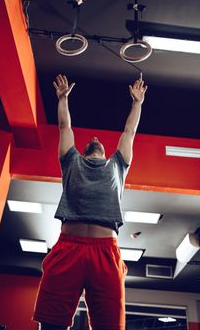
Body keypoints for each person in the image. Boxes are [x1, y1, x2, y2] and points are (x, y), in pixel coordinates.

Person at [33, 74, 148, 330]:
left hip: (105, 252)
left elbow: (129, 132)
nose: (95, 138)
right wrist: (62, 99)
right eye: (90, 141)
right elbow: (64, 128)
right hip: (68, 249)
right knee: (51, 323)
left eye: (97, 140)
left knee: (108, 325)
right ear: (83, 151)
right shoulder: (71, 162)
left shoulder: (118, 165)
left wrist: (137, 104)